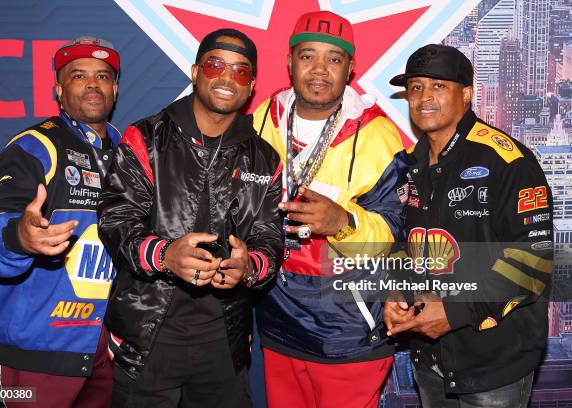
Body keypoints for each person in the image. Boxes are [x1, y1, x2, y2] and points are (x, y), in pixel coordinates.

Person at [97, 28, 283, 407]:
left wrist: (249, 267)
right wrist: (165, 255)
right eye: (216, 65)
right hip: (148, 336)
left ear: (251, 87)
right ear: (196, 72)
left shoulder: (265, 158)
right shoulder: (145, 138)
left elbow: (270, 238)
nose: (228, 77)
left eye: (241, 71)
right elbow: (117, 223)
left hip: (224, 344)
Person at [252, 11, 408, 408]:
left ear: (350, 67)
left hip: (348, 331)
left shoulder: (377, 134)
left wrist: (344, 222)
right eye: (308, 56)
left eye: (333, 59)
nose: (319, 70)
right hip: (278, 321)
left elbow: (396, 235)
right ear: (289, 61)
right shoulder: (262, 119)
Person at [384, 44, 553, 407]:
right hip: (430, 359)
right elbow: (406, 244)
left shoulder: (508, 160)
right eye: (415, 87)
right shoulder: (409, 164)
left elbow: (533, 260)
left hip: (495, 361)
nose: (424, 97)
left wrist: (455, 312)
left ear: (466, 94)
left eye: (438, 86)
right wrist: (398, 294)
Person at [0, 37, 121, 407]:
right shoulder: (34, 146)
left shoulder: (125, 151)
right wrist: (20, 236)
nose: (93, 84)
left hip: (99, 348)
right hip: (31, 348)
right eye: (79, 75)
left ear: (114, 88)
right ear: (59, 89)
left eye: (103, 76)